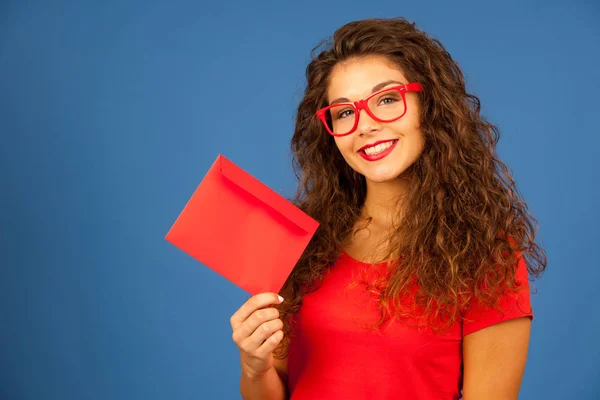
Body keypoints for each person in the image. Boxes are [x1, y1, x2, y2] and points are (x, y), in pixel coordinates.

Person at [230, 17, 547, 400]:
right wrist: (254, 366)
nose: (364, 125)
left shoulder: (485, 255)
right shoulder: (301, 241)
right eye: (345, 112)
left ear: (429, 106)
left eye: (387, 100)